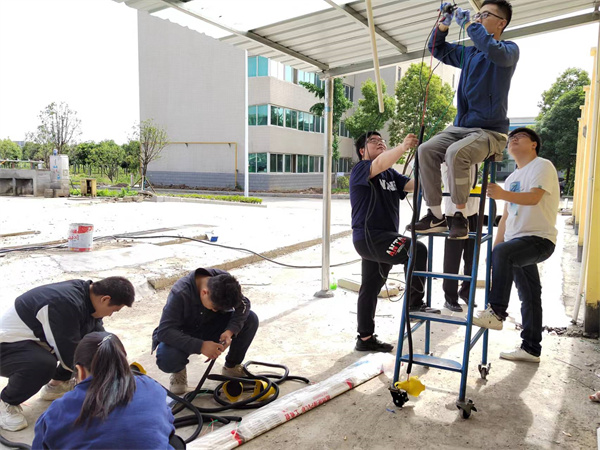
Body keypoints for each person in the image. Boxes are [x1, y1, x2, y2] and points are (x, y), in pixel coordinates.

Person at [410, 0, 518, 239]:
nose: (478, 18)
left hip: (490, 132)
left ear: (501, 23)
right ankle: (435, 216)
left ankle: (459, 217)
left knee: (456, 153)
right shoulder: (469, 54)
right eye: (477, 14)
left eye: (485, 15)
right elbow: (438, 50)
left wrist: (469, 24)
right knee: (425, 150)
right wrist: (442, 26)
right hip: (461, 127)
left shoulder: (508, 50)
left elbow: (493, 51)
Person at [0, 277, 135, 431]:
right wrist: (102, 380)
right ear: (105, 299)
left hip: (34, 341)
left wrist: (118, 365)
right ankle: (7, 401)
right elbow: (69, 355)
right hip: (6, 348)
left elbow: (97, 340)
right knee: (44, 364)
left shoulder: (88, 296)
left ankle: (56, 386)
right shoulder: (63, 303)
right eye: (114, 310)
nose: (111, 315)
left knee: (96, 344)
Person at [472, 128, 559, 363]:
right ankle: (531, 348)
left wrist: (501, 194)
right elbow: (507, 218)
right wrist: (496, 249)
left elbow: (533, 198)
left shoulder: (542, 166)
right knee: (530, 295)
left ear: (534, 145)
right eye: (511, 138)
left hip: (538, 239)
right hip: (515, 243)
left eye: (520, 137)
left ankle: (496, 312)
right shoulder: (510, 179)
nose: (513, 140)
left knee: (509, 261)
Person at [350, 131, 440, 354]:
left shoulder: (390, 174)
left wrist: (437, 170)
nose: (380, 142)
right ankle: (415, 302)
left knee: (371, 288)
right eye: (373, 141)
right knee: (416, 249)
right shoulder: (362, 168)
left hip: (385, 237)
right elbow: (378, 163)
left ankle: (365, 338)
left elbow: (413, 185)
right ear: (362, 151)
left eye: (382, 140)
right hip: (370, 237)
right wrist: (402, 148)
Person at [32, 332, 177, 449]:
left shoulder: (57, 411)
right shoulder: (152, 388)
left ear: (80, 371)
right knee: (174, 443)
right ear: (123, 361)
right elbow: (168, 428)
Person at [152, 268, 258, 394]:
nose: (215, 310)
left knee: (250, 319)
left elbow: (243, 304)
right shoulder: (180, 293)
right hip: (185, 332)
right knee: (167, 357)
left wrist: (230, 330)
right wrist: (201, 346)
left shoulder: (225, 282)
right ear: (204, 292)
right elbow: (164, 332)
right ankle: (178, 371)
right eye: (214, 307)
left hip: (211, 325)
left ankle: (231, 367)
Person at [442, 163, 480, 312]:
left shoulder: (474, 152)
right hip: (454, 214)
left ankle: (466, 291)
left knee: (472, 257)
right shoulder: (451, 153)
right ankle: (450, 298)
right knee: (452, 259)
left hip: (473, 211)